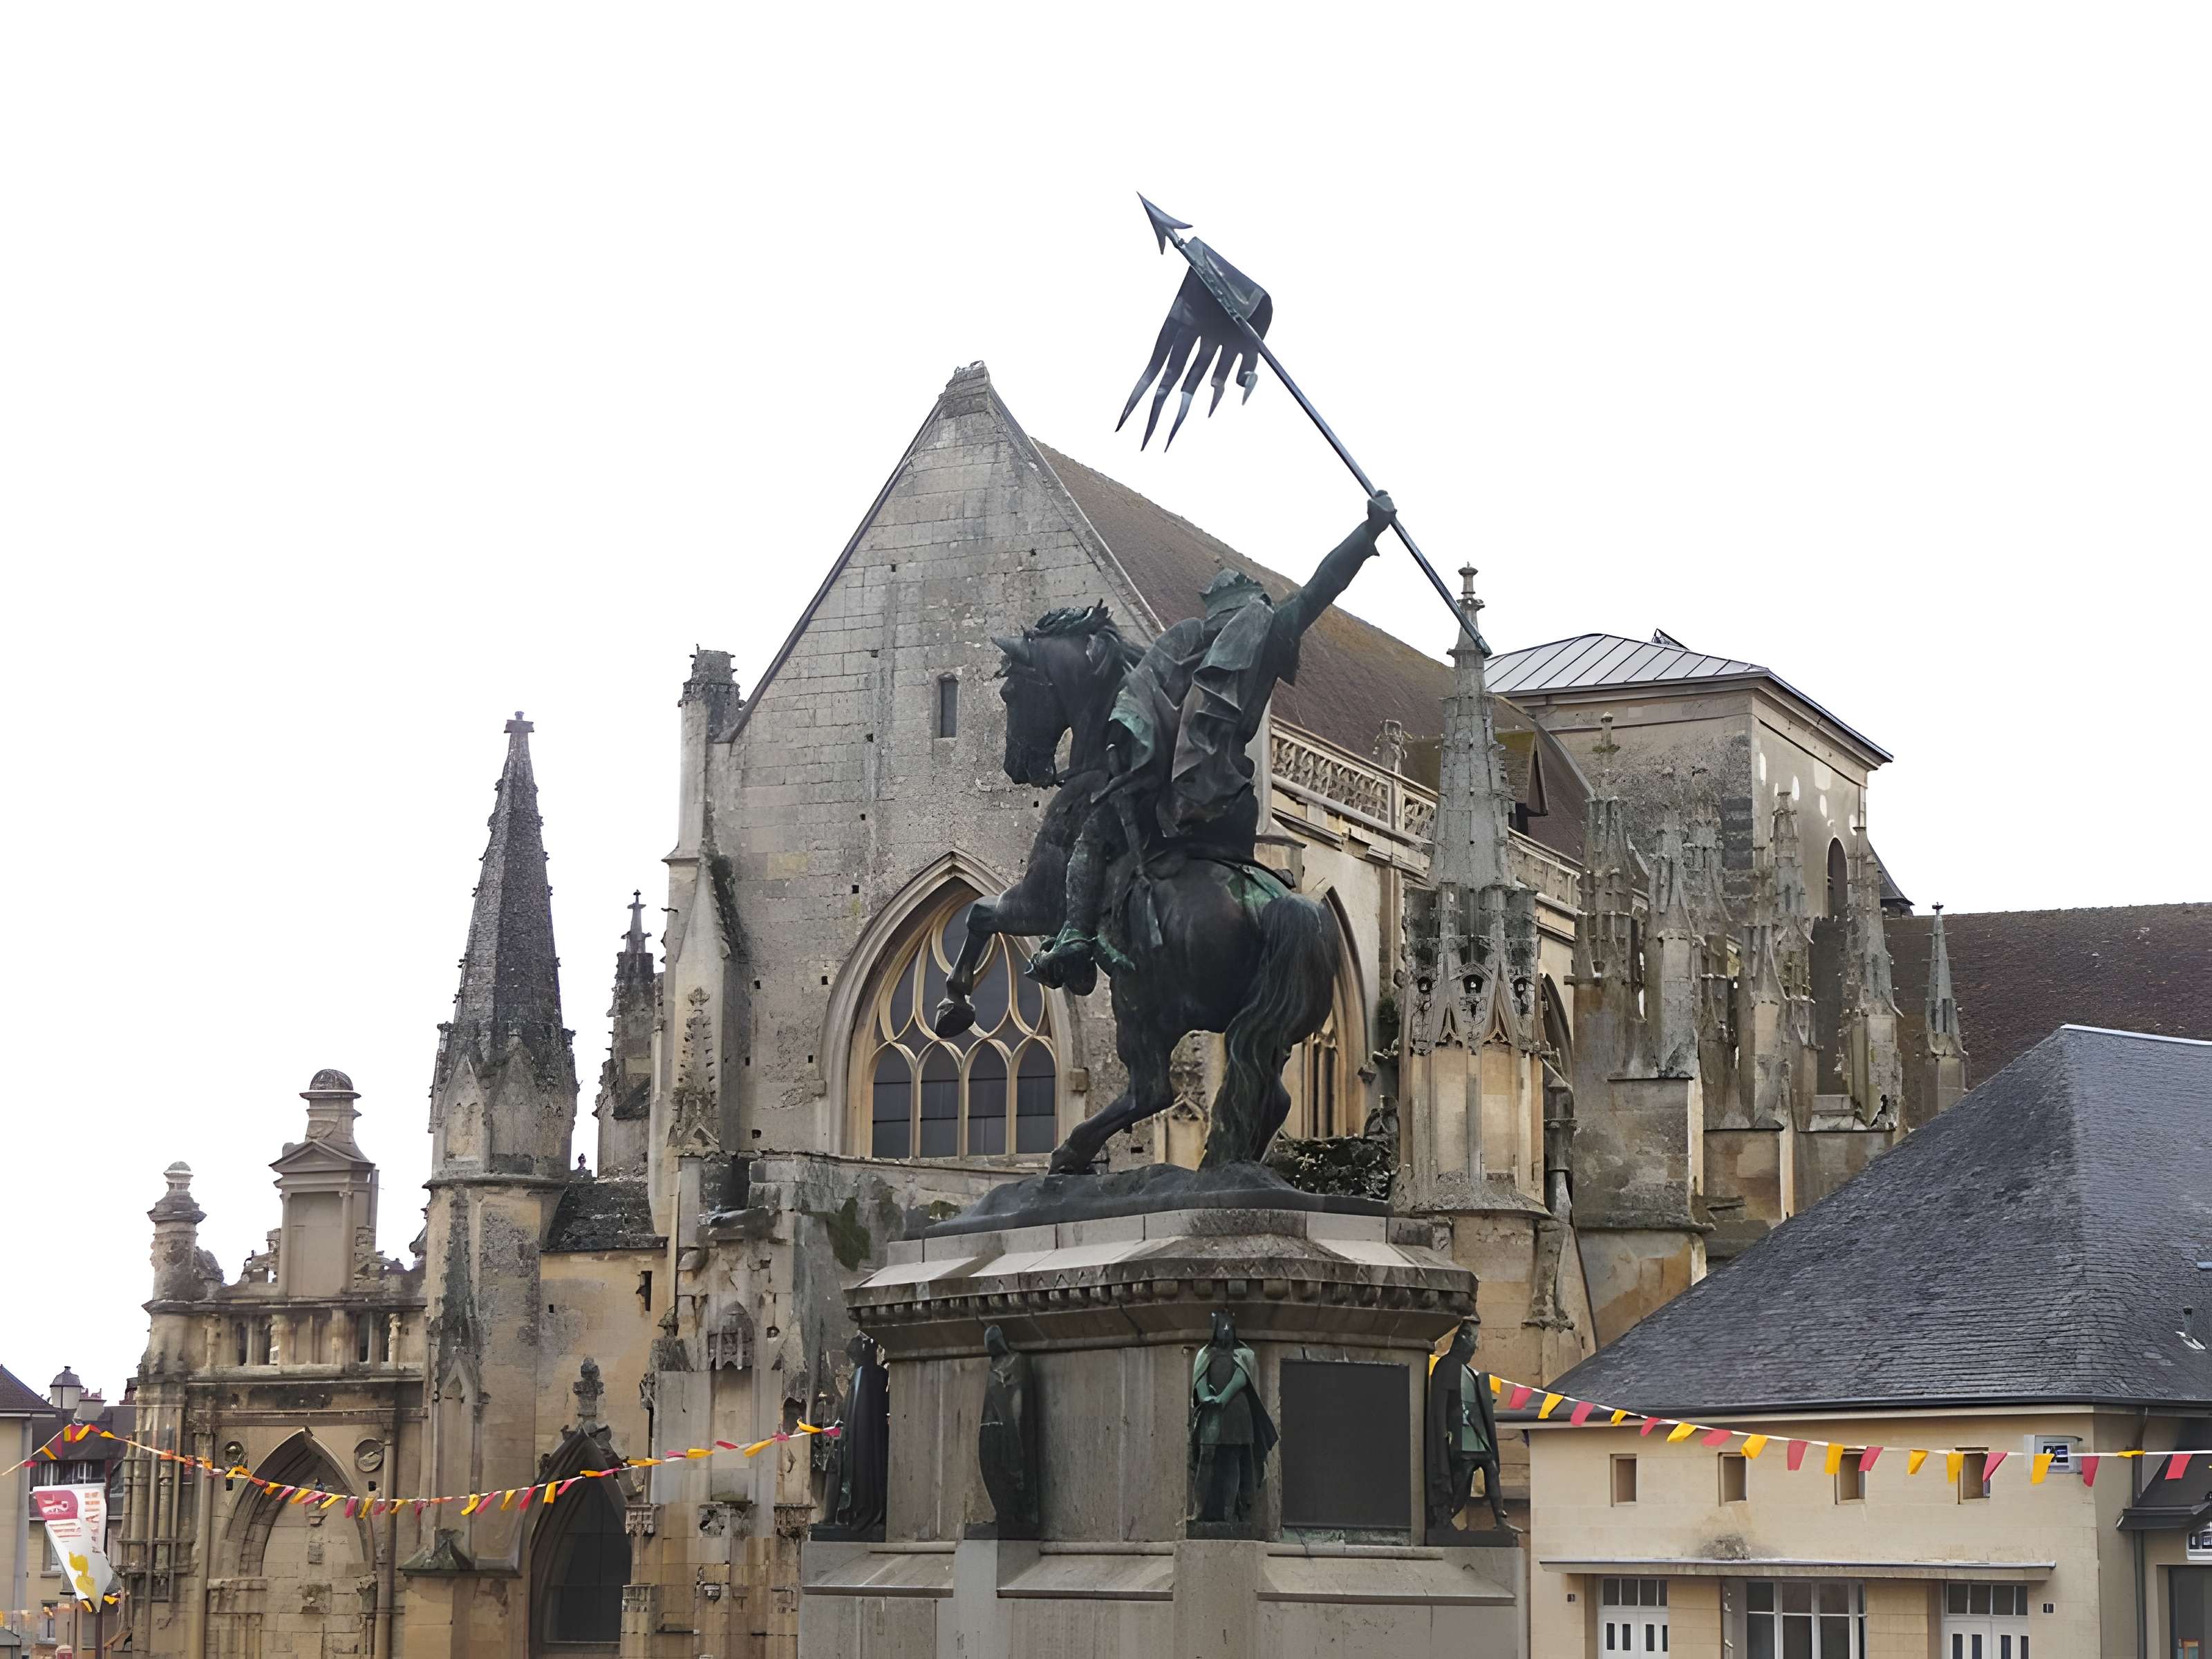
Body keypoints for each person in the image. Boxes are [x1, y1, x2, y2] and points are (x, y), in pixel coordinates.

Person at [1029, 491, 1397, 993]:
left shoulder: (1191, 651)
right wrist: (1368, 532)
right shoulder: (1255, 641)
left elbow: (1140, 706)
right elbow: (1320, 587)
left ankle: (1075, 937)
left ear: (1217, 614)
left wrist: (1128, 748)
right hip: (1235, 809)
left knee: (1095, 831)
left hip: (1176, 806)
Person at [1189, 1311, 1277, 1524]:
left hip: (1236, 1413)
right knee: (1206, 1457)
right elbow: (1199, 1379)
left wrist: (1223, 1397)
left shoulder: (1244, 1354)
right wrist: (1206, 1397)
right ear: (1214, 1330)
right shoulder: (1204, 1354)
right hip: (1211, 1413)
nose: (1226, 1331)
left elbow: (1241, 1378)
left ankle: (1230, 1512)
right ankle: (1199, 1510)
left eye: (1229, 1327)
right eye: (1221, 1327)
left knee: (1233, 1461)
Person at [1425, 1317, 1510, 1533]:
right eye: (1470, 1347)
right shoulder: (1446, 1366)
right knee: (1461, 1482)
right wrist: (1443, 1436)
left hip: (1477, 1435)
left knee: (1491, 1468)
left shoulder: (1470, 1373)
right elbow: (1440, 1406)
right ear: (1462, 1346)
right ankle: (1445, 1518)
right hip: (1460, 1438)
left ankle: (1501, 1519)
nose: (1472, 1352)